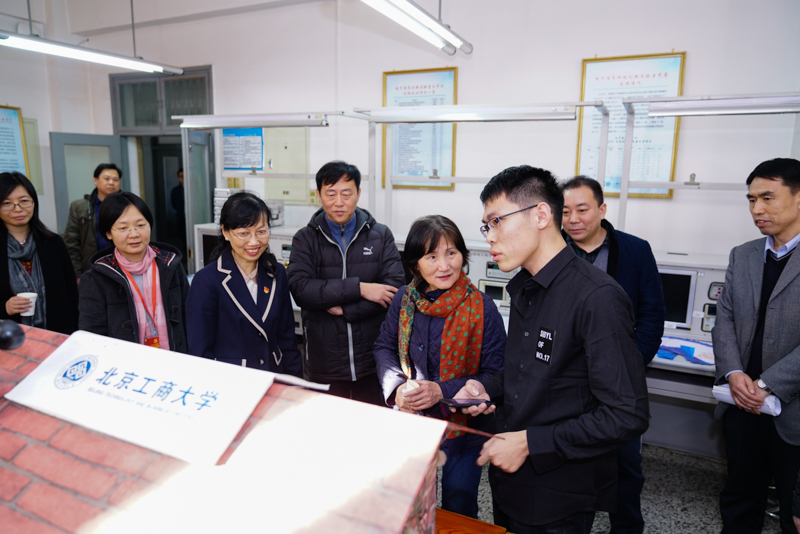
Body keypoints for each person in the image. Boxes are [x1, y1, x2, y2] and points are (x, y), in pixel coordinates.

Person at [453, 165, 649, 534]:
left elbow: (626, 415)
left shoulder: (597, 297)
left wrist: (530, 443)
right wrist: (486, 387)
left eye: (497, 221)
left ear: (541, 215)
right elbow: (529, 370)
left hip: (558, 493)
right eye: (486, 226)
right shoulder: (526, 287)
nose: (489, 237)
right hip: (511, 483)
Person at [373, 215, 506, 518]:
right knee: (412, 503)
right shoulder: (404, 300)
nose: (444, 266)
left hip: (465, 430)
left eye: (451, 253)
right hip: (413, 421)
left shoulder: (482, 307)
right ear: (415, 264)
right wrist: (397, 388)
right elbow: (384, 348)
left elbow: (497, 374)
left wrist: (441, 391)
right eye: (431, 256)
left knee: (459, 504)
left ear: (463, 256)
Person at [562, 175, 665, 534]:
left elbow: (652, 316)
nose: (573, 219)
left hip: (620, 382)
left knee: (625, 466)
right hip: (567, 381)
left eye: (582, 209)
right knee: (569, 465)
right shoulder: (553, 251)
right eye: (565, 212)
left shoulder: (635, 251)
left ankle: (627, 527)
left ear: (602, 209)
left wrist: (628, 366)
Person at [713, 157, 800, 534]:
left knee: (793, 513)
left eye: (768, 198)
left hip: (792, 412)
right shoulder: (743, 254)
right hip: (741, 405)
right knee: (739, 500)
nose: (757, 209)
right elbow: (725, 319)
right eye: (751, 200)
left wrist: (766, 384)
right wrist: (734, 373)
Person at [288, 161, 404, 404]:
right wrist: (360, 288)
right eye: (330, 194)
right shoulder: (305, 239)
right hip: (324, 361)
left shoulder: (380, 235)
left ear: (358, 193)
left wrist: (347, 309)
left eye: (346, 194)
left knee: (373, 422)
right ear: (319, 194)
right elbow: (302, 290)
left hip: (373, 359)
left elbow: (393, 290)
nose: (339, 202)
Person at [186, 192, 301, 376]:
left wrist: (295, 383)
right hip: (232, 381)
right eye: (243, 233)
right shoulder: (206, 281)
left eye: (261, 231)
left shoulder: (276, 272)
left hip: (273, 376)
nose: (254, 241)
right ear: (225, 232)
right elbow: (200, 352)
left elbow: (287, 340)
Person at [78, 192, 189, 352]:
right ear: (108, 233)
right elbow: (92, 338)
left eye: (141, 225)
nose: (134, 234)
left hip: (176, 359)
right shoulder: (95, 279)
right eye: (123, 228)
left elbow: (189, 317)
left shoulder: (170, 265)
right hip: (125, 363)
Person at [0, 172, 78, 334]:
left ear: (34, 202)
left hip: (57, 335)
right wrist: (4, 307)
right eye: (7, 203)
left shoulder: (53, 243)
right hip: (8, 339)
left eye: (24, 201)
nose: (18, 209)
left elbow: (72, 294)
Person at [63, 163, 122, 279]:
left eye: (115, 179)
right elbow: (72, 243)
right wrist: (77, 274)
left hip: (122, 266)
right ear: (96, 180)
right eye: (106, 179)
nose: (111, 183)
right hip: (92, 267)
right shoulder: (80, 207)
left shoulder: (128, 206)